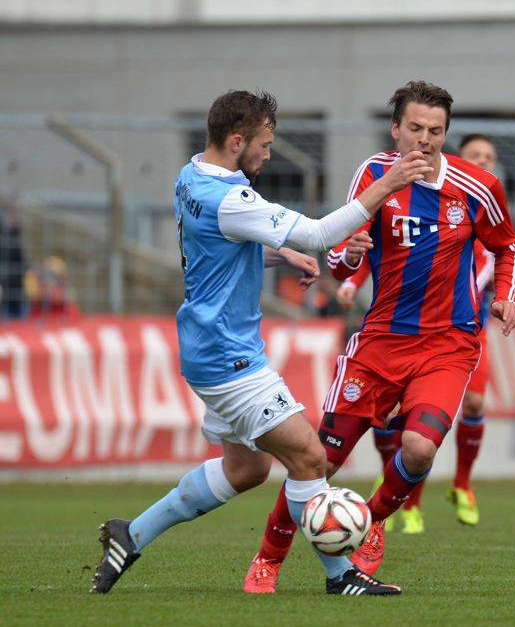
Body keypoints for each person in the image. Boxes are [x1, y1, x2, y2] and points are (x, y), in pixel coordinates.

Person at [90, 89, 431, 595]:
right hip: (230, 358)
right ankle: (340, 576)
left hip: (206, 350)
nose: (268, 155)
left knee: (245, 468)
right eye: (264, 145)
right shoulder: (231, 197)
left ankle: (131, 534)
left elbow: (217, 249)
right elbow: (316, 233)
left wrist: (275, 255)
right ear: (235, 140)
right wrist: (389, 183)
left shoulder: (190, 176)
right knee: (310, 458)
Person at [243, 81, 515, 594]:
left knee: (417, 450)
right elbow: (338, 252)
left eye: (435, 131)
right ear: (395, 128)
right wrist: (350, 256)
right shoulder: (374, 175)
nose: (424, 140)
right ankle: (269, 557)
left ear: (446, 134)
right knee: (321, 459)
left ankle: (369, 523)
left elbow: (509, 247)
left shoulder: (476, 186)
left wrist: (506, 295)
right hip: (380, 343)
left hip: (448, 344)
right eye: (414, 128)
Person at [334, 133, 500, 534]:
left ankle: (461, 485)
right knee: (405, 421)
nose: (483, 161)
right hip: (408, 330)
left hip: (465, 333)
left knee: (471, 406)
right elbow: (389, 248)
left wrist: (502, 298)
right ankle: (406, 500)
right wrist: (353, 282)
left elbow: (504, 256)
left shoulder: (487, 206)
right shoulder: (444, 202)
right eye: (475, 155)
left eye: (489, 157)